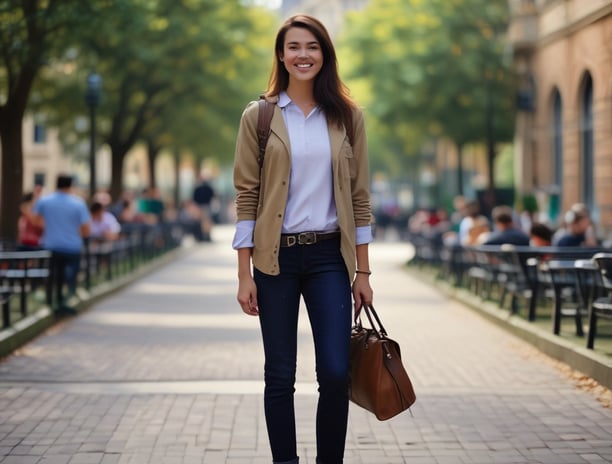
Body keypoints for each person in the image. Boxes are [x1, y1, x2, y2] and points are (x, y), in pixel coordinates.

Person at [232, 14, 373, 464]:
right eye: (294, 46)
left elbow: (360, 198)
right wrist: (244, 273)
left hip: (330, 257)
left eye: (312, 47)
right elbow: (247, 198)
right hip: (275, 261)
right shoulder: (260, 116)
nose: (303, 55)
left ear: (324, 54)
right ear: (281, 54)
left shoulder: (349, 117)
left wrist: (364, 272)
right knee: (280, 375)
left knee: (334, 372)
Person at [32, 174, 91, 313]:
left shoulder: (45, 201)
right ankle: (66, 302)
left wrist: (49, 226)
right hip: (73, 247)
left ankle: (52, 302)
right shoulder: (78, 203)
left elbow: (34, 220)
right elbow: (87, 229)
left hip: (52, 245)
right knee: (70, 276)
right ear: (71, 186)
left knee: (54, 275)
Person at [192, 173, 216, 242]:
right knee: (207, 221)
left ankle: (202, 236)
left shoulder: (198, 188)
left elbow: (194, 198)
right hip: (206, 206)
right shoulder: (208, 188)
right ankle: (207, 235)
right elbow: (212, 196)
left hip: (199, 206)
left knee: (202, 221)